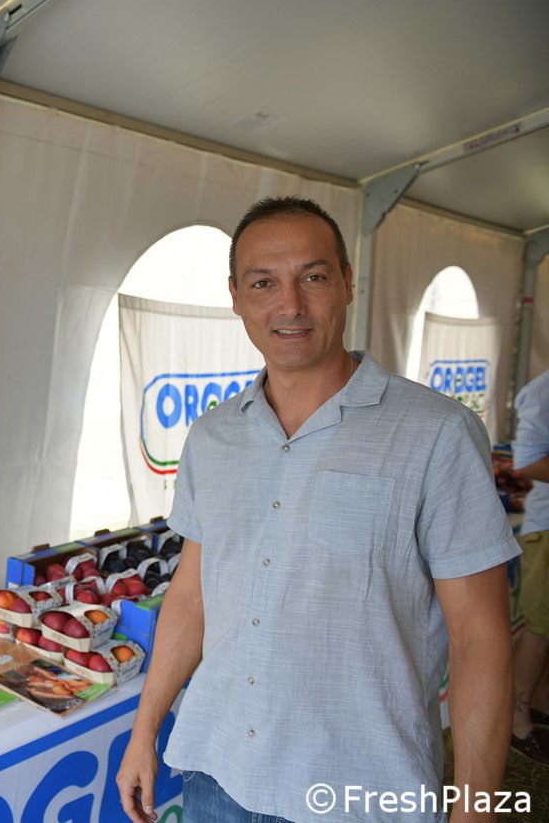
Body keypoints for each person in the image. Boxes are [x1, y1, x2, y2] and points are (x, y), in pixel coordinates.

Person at [115, 196, 519, 823]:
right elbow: (191, 598)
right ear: (235, 296)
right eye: (263, 283)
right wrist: (144, 729)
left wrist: (475, 810)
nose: (291, 305)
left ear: (348, 283)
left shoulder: (436, 434)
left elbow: (480, 638)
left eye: (313, 276)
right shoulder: (212, 437)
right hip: (218, 774)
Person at [511, 368, 549, 764]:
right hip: (547, 528)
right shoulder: (543, 390)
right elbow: (527, 462)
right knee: (540, 625)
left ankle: (539, 703)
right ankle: (516, 720)